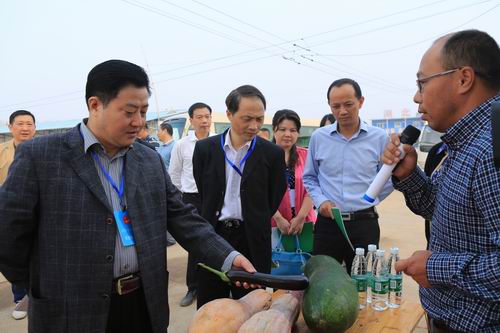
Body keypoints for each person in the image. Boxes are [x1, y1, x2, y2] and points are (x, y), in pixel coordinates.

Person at [0, 59, 256, 333]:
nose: (139, 122)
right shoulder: (42, 157)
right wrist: (43, 284)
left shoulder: (148, 160)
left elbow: (182, 218)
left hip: (142, 305)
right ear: (95, 105)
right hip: (70, 310)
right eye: (129, 111)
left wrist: (228, 257)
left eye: (143, 112)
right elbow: (8, 235)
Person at [381, 30, 500, 333]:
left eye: (422, 82)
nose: (416, 96)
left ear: (463, 79)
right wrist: (409, 175)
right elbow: (446, 212)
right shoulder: (464, 143)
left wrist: (436, 268)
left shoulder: (490, 150)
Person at [193, 85, 287, 308]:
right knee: (211, 305)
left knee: (252, 305)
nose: (254, 126)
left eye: (259, 118)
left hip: (252, 238)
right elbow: (203, 190)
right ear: (229, 114)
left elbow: (275, 195)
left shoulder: (272, 153)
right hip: (214, 235)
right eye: (247, 118)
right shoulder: (206, 149)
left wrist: (256, 216)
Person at [303, 78, 393, 274]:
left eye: (348, 104)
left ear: (361, 101)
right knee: (321, 280)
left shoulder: (379, 137)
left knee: (363, 281)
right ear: (330, 106)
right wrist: (322, 201)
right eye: (336, 106)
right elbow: (310, 177)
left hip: (364, 223)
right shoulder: (319, 137)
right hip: (328, 225)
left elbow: (389, 177)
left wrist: (370, 198)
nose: (342, 111)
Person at [168, 102, 212, 307]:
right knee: (195, 245)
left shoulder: (218, 142)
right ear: (191, 120)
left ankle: (214, 284)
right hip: (191, 199)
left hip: (213, 198)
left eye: (207, 116)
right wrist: (180, 199)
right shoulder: (182, 145)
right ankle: (192, 287)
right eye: (200, 117)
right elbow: (174, 176)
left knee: (216, 241)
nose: (204, 120)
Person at [0, 109, 36, 320]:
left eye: (29, 124)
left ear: (35, 127)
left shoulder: (47, 149)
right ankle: (20, 296)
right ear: (10, 127)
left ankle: (35, 295)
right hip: (10, 213)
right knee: (14, 252)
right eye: (20, 123)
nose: (25, 128)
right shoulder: (2, 151)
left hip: (38, 211)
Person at [271, 110, 316, 245]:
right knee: (277, 263)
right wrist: (278, 218)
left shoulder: (306, 155)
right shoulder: (263, 156)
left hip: (305, 222)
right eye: (283, 129)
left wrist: (301, 216)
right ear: (274, 130)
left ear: (298, 133)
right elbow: (260, 192)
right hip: (273, 223)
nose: (288, 134)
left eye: (293, 130)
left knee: (305, 262)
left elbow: (312, 188)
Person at [422, 141, 447, 249]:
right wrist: (408, 174)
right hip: (434, 248)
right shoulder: (437, 151)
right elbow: (429, 206)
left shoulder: (488, 150)